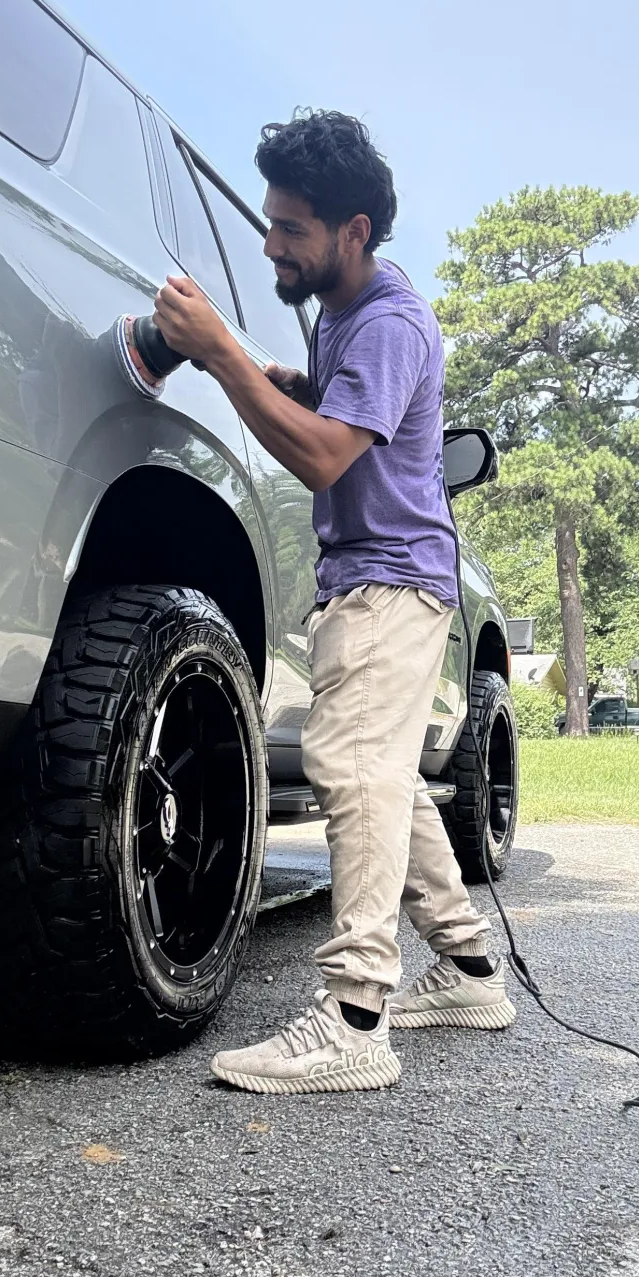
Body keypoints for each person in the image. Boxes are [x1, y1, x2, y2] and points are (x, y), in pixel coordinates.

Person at [150, 109, 514, 1094]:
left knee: (350, 768)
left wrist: (222, 354)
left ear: (353, 232)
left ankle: (356, 1018)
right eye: (269, 221)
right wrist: (294, 379)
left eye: (292, 228)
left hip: (388, 580)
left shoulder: (388, 321)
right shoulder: (347, 314)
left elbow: (322, 458)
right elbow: (344, 406)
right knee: (385, 775)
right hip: (386, 578)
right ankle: (470, 969)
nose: (271, 243)